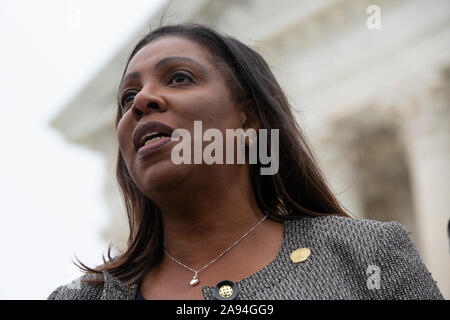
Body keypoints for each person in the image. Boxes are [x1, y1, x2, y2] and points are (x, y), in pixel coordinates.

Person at [47, 23, 443, 300]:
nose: (142, 102)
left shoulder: (369, 255)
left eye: (179, 77)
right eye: (126, 98)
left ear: (249, 120)